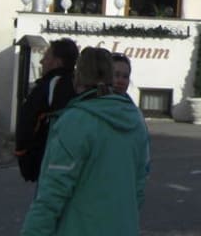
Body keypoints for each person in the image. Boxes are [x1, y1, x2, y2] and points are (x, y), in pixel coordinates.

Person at [21, 47, 150, 236]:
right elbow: (139, 186)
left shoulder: (76, 120)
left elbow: (52, 193)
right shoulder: (136, 121)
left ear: (77, 77)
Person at [16, 38, 79, 182]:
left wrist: (23, 156)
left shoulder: (51, 86)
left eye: (46, 57)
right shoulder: (78, 85)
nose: (41, 61)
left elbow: (27, 123)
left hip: (47, 162)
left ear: (57, 62)